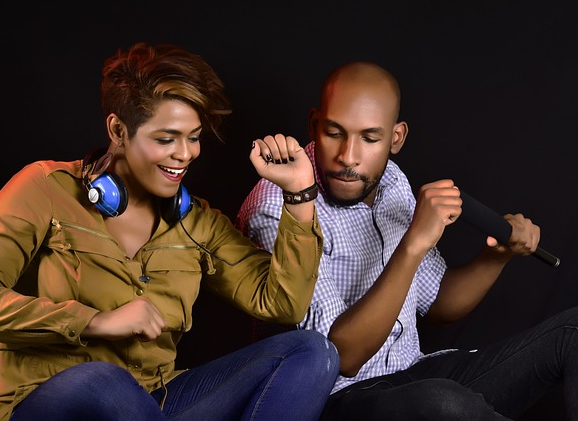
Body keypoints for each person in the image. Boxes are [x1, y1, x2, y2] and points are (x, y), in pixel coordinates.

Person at [0, 42, 340, 421]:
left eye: (194, 137)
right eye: (166, 139)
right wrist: (94, 322)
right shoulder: (44, 189)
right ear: (118, 131)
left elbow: (282, 304)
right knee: (102, 379)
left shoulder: (197, 222)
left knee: (312, 351)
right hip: (42, 401)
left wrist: (300, 194)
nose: (185, 154)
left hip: (153, 403)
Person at [236, 61, 577, 420]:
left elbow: (440, 304)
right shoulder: (277, 207)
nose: (348, 157)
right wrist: (414, 242)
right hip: (329, 402)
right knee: (444, 403)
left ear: (395, 138)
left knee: (573, 330)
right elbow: (341, 358)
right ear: (314, 124)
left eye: (370, 138)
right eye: (335, 133)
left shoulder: (390, 182)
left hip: (412, 377)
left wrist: (498, 256)